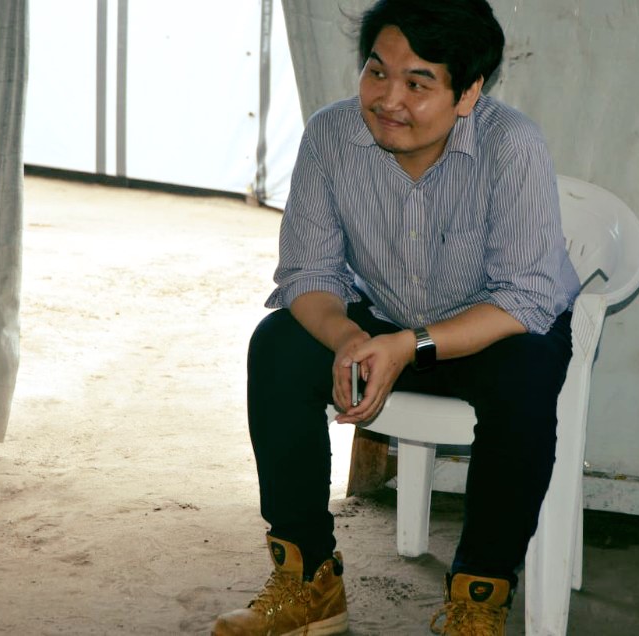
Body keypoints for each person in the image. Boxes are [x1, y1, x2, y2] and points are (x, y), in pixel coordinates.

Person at [212, 0, 580, 634]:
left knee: (527, 376)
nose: (388, 100)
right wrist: (348, 338)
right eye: (377, 72)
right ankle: (309, 581)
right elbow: (308, 275)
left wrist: (411, 346)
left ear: (468, 93)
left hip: (490, 330)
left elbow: (524, 296)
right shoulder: (331, 136)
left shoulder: (511, 144)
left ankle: (478, 599)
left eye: (418, 83)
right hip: (384, 317)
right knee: (277, 346)